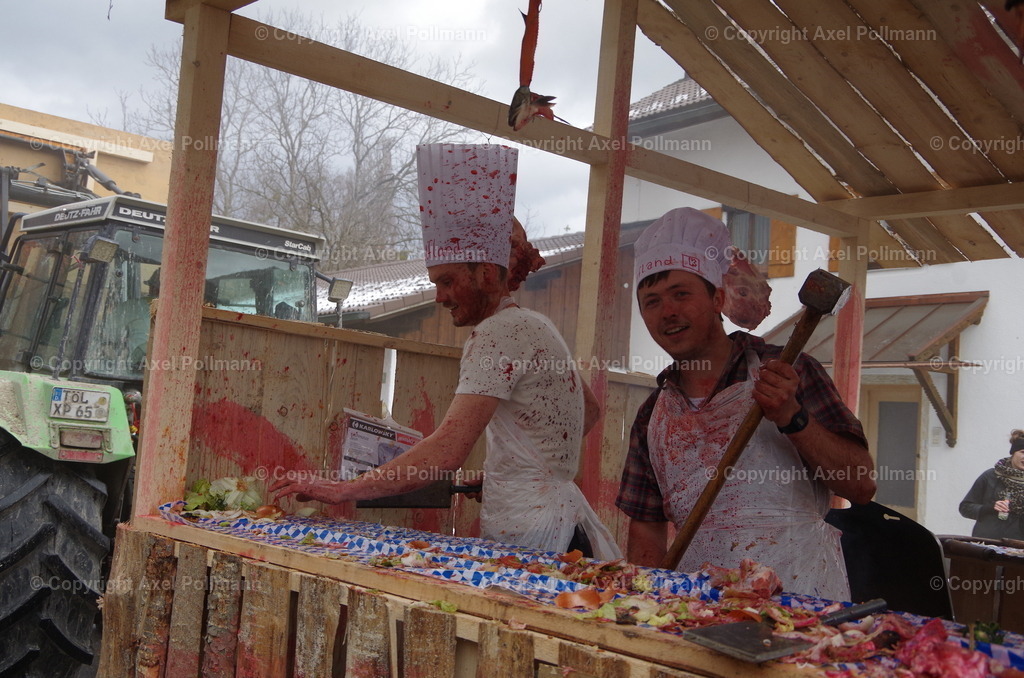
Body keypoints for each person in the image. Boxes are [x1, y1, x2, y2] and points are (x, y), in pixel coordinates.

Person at [273, 143, 620, 560]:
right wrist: (516, 472)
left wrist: (343, 489)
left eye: (448, 281)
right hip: (564, 524)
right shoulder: (537, 326)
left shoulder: (494, 335)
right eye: (436, 283)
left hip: (539, 533)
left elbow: (446, 450)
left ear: (486, 274)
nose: (440, 297)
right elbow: (589, 409)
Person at [615, 207, 875, 601]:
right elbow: (646, 527)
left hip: (799, 602)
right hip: (697, 606)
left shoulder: (787, 371)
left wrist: (793, 417)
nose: (667, 312)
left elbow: (860, 486)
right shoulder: (653, 415)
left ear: (717, 297)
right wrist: (646, 601)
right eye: (651, 301)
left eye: (681, 294)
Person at [959, 430, 1024, 540]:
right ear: (1013, 452)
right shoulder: (990, 476)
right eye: (1023, 452)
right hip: (987, 544)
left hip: (1018, 547)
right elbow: (965, 508)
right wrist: (990, 508)